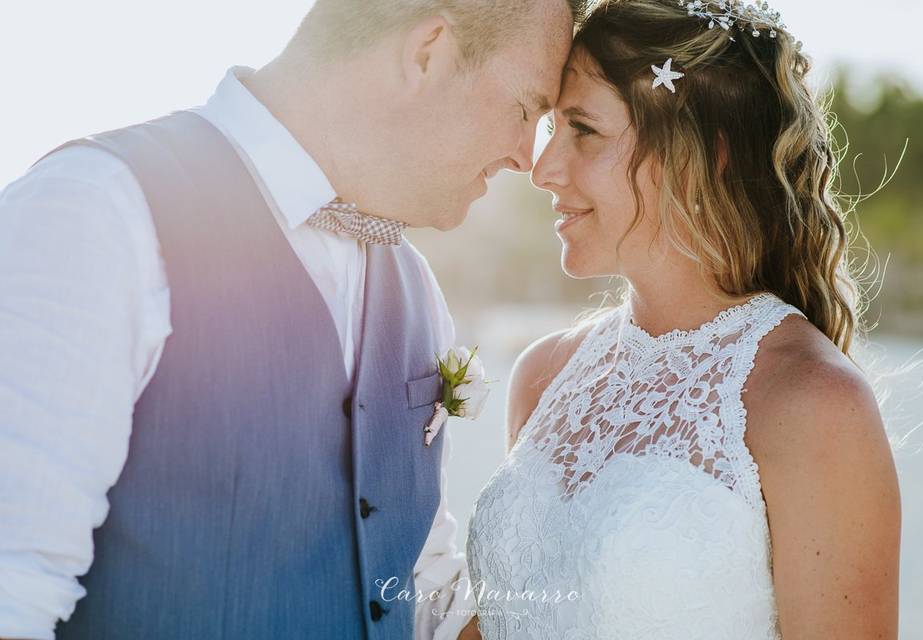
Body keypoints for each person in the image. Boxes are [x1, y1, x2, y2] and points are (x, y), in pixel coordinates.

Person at [0, 2, 579, 639]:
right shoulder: (94, 214)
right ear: (428, 52)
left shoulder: (413, 288)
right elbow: (13, 588)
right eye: (527, 109)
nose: (527, 158)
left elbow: (412, 590)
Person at [466, 0, 901, 638]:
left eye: (583, 129)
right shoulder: (542, 375)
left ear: (706, 153)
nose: (543, 167)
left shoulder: (811, 403)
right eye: (551, 127)